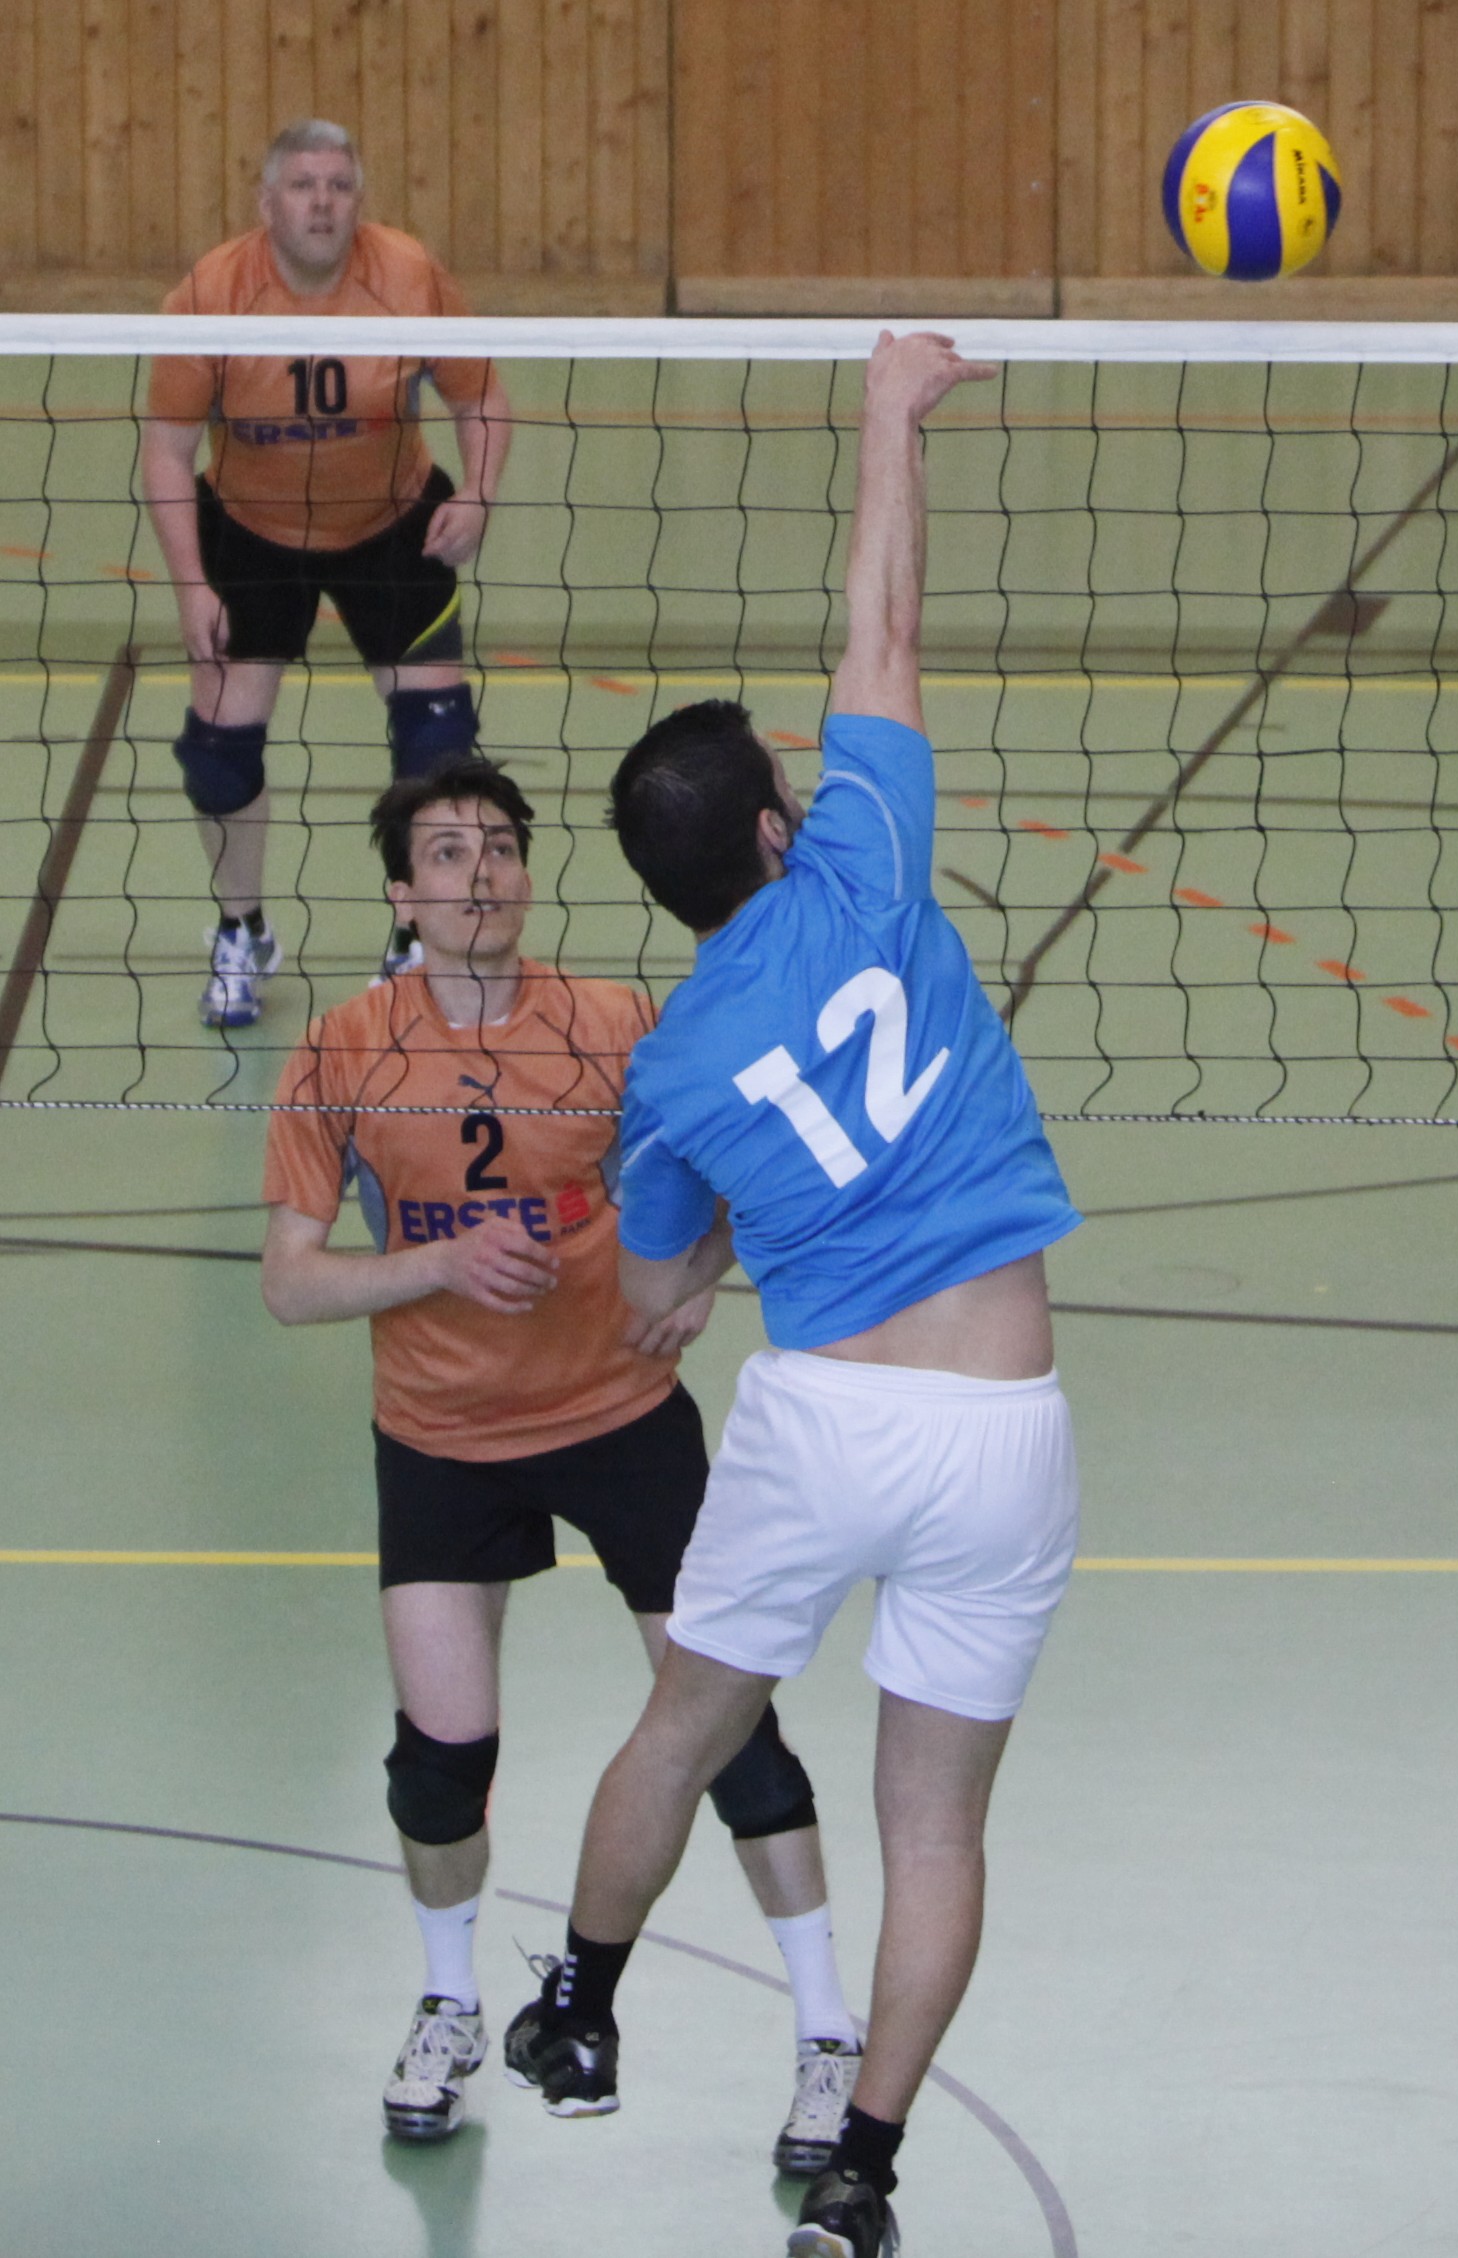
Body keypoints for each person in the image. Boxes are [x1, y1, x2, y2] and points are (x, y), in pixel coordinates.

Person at [498, 332, 1079, 2258]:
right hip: (997, 1424)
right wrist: (888, 411)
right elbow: (880, 625)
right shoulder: (866, 862)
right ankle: (863, 2175)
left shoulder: (671, 1067)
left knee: (681, 1723)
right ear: (775, 826)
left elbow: (652, 1281)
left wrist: (704, 1261)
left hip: (818, 1421)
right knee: (936, 1827)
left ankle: (580, 2004)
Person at [258, 756, 859, 2166]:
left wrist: (700, 1272)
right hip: (441, 1438)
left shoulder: (615, 1023)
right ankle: (450, 2001)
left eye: (500, 848)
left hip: (620, 1415)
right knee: (438, 1763)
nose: (480, 873)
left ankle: (826, 2031)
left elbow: (744, 1171)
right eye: (447, 853)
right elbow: (290, 1282)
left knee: (732, 1733)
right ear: (402, 896)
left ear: (527, 876)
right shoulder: (344, 1049)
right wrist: (437, 1264)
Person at [143, 118, 511, 1029]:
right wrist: (191, 586)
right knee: (216, 756)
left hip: (392, 523)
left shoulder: (408, 276)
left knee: (439, 747)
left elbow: (481, 397)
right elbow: (167, 450)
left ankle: (415, 939)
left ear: (359, 200)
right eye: (303, 186)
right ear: (267, 202)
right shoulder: (212, 295)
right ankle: (242, 931)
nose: (321, 203)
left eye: (339, 186)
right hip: (252, 529)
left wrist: (478, 493)